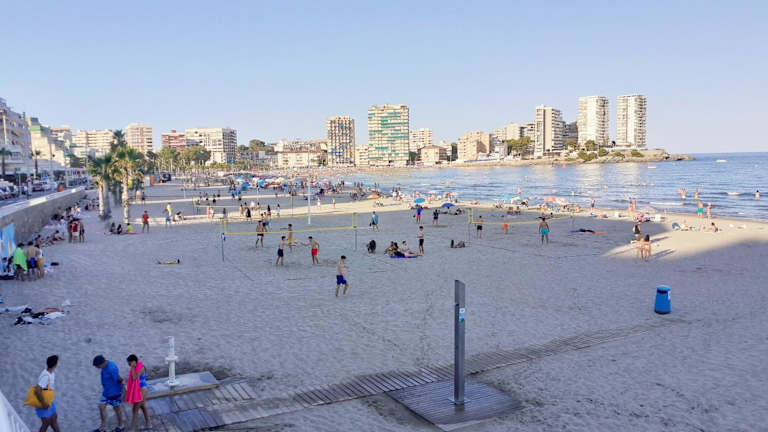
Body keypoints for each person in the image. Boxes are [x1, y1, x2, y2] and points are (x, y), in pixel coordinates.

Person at [92, 355, 125, 432]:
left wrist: (123, 387)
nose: (97, 368)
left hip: (114, 393)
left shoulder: (111, 368)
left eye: (98, 366)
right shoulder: (104, 366)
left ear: (102, 363)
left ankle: (121, 426)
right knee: (101, 407)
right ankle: (102, 428)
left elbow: (119, 379)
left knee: (117, 409)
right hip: (106, 392)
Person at [34, 354, 61, 431]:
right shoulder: (46, 376)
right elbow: (37, 390)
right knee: (46, 423)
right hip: (43, 401)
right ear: (55, 364)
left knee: (54, 417)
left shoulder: (51, 373)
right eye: (58, 362)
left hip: (49, 400)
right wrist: (44, 403)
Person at [125, 354, 150, 432]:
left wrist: (132, 367)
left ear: (133, 362)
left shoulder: (141, 368)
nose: (129, 365)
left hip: (142, 390)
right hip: (139, 389)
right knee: (143, 406)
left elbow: (134, 377)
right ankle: (149, 423)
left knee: (135, 409)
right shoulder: (136, 366)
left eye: (129, 363)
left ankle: (132, 429)